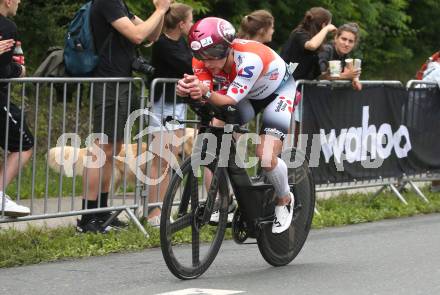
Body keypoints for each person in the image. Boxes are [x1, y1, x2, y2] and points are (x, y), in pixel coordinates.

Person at [177, 17, 295, 234]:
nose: (207, 62)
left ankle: (284, 198)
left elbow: (228, 100)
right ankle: (225, 199)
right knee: (213, 137)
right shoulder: (201, 61)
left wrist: (205, 92)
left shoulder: (250, 59)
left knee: (266, 155)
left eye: (213, 55)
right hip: (248, 95)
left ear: (227, 47)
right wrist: (187, 90)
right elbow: (206, 93)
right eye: (201, 56)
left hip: (277, 93)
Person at [78, 0, 172, 233]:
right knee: (101, 150)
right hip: (108, 82)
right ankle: (88, 217)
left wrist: (161, 10)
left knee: (113, 149)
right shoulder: (107, 2)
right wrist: (159, 11)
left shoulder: (119, 4)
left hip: (122, 82)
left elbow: (153, 36)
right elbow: (138, 36)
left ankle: (102, 212)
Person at [147, 3, 194, 226]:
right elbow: (188, 65)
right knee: (162, 159)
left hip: (177, 105)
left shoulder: (181, 42)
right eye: (191, 20)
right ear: (181, 24)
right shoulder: (164, 45)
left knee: (170, 159)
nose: (193, 25)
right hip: (163, 106)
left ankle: (162, 209)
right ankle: (154, 212)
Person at [0, 0, 33, 217]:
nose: (19, 2)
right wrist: (19, 69)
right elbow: (2, 70)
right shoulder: (6, 27)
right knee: (25, 144)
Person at [318, 23, 362, 91]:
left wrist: (355, 79)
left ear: (354, 44)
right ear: (336, 38)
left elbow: (352, 77)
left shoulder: (346, 56)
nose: (346, 44)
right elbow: (319, 75)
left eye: (350, 41)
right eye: (344, 39)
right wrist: (346, 76)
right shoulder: (326, 50)